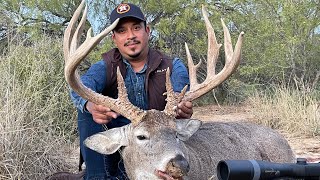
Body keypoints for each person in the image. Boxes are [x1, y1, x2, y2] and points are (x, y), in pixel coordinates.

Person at [70, 2, 193, 180]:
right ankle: (97, 177)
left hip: (158, 145)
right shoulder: (106, 66)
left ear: (147, 31)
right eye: (122, 31)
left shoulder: (172, 66)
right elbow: (80, 85)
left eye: (136, 28)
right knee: (87, 112)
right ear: (114, 38)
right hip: (121, 139)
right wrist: (90, 105)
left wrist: (182, 107)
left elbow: (180, 93)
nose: (130, 36)